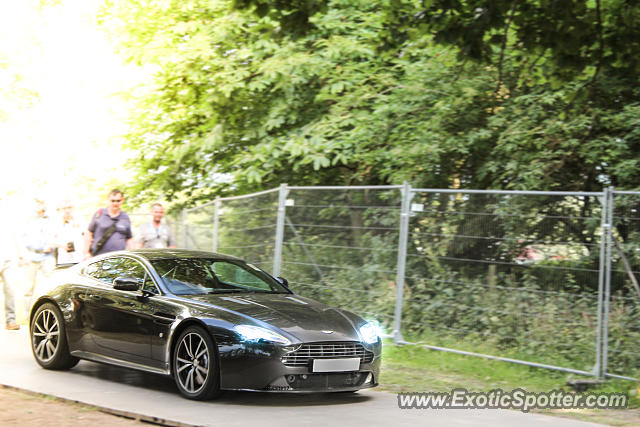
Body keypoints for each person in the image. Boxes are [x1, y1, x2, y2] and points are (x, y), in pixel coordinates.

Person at [19, 198, 55, 313]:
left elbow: (56, 235)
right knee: (28, 289)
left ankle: (51, 313)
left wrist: (51, 246)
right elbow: (23, 239)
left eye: (42, 202)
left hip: (47, 257)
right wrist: (23, 256)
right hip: (31, 256)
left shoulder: (51, 219)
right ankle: (28, 316)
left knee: (53, 284)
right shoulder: (28, 220)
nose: (40, 205)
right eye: (37, 203)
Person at [84, 189, 133, 258]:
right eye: (112, 201)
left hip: (119, 259)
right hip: (99, 258)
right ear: (108, 200)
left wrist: (133, 254)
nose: (115, 203)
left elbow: (129, 238)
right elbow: (89, 233)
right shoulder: (99, 213)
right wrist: (86, 253)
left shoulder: (125, 217)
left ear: (122, 200)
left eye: (118, 201)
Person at [0, 217, 19, 330]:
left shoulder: (6, 221)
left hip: (7, 260)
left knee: (10, 290)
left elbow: (15, 239)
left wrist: (20, 256)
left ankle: (11, 320)